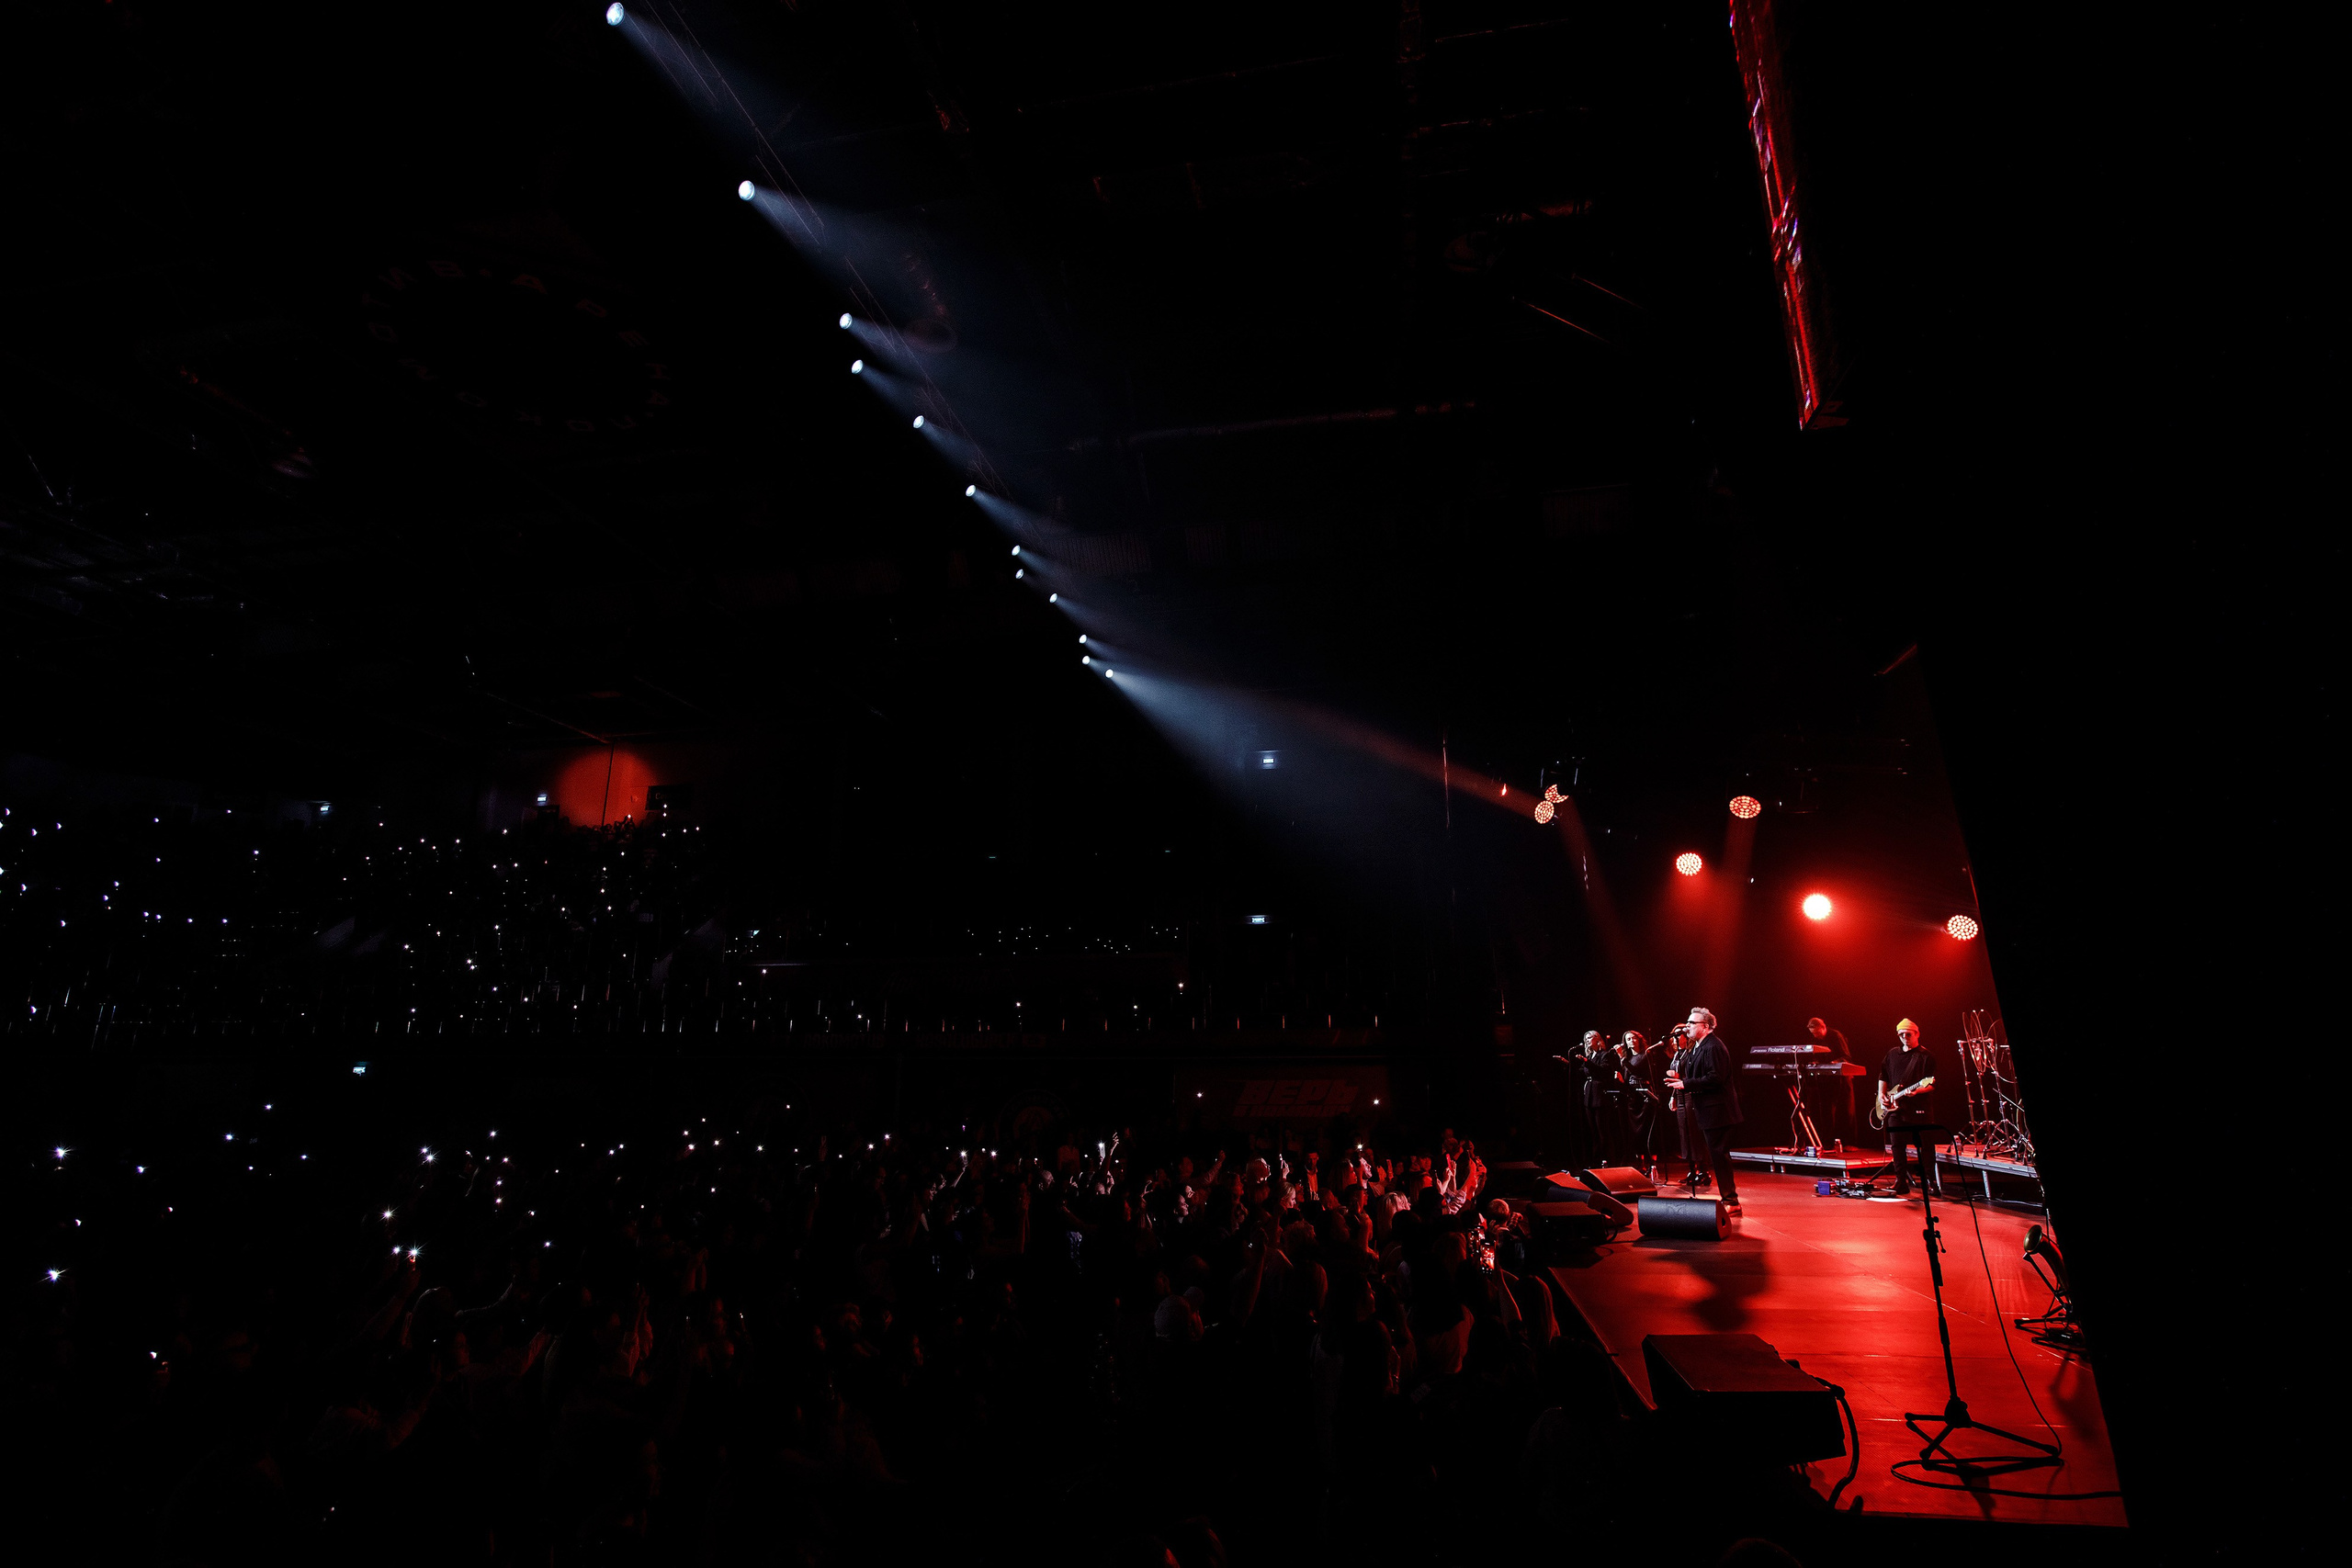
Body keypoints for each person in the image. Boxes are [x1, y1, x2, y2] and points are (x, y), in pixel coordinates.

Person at [1664, 1006, 1744, 1213]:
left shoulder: (1712, 1046)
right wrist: (1680, 1079)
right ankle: (1729, 1199)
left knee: (1719, 1155)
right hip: (1709, 1110)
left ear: (1705, 1026)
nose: (1687, 1026)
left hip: (1718, 1111)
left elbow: (1715, 1078)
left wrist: (1685, 1084)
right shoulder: (1699, 1046)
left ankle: (1731, 1201)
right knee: (1717, 1155)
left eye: (1692, 1023)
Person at [1878, 1018, 1941, 1197]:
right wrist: (1882, 1094)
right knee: (1897, 1146)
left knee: (1926, 1147)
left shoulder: (1926, 1056)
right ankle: (1901, 1182)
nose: (1905, 1037)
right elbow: (1883, 1075)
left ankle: (1931, 1182)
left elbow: (1932, 1083)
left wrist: (1918, 1091)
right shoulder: (1892, 1054)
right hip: (1896, 1109)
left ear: (1917, 1034)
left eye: (1908, 1034)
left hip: (1920, 1109)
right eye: (1901, 1035)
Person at [1623, 1030, 1670, 1179]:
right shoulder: (1627, 1057)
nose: (1631, 1041)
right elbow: (1626, 1076)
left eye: (1633, 1038)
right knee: (1635, 1131)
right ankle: (1640, 1162)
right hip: (1633, 1097)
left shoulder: (1647, 1054)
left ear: (1639, 1039)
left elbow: (1638, 1070)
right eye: (1628, 1039)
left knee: (1648, 1129)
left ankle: (1652, 1163)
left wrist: (1622, 1060)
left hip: (1645, 1094)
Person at [1806, 1016, 1856, 1145]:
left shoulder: (1836, 1036)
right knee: (1826, 1110)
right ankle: (1827, 1142)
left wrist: (1835, 1062)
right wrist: (1815, 1062)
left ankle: (1849, 1142)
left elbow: (1846, 1056)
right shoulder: (1816, 1039)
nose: (1815, 1036)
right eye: (1813, 1033)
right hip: (1826, 1078)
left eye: (1817, 1032)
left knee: (1846, 1110)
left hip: (1842, 1077)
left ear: (1823, 1027)